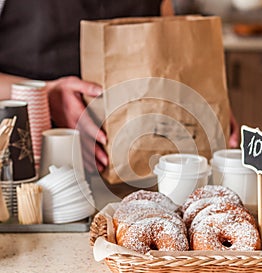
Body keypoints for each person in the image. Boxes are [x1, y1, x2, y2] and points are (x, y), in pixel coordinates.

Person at [0, 0, 238, 176]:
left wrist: (205, 96)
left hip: (141, 165)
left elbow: (170, 49)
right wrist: (45, 94)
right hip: (27, 172)